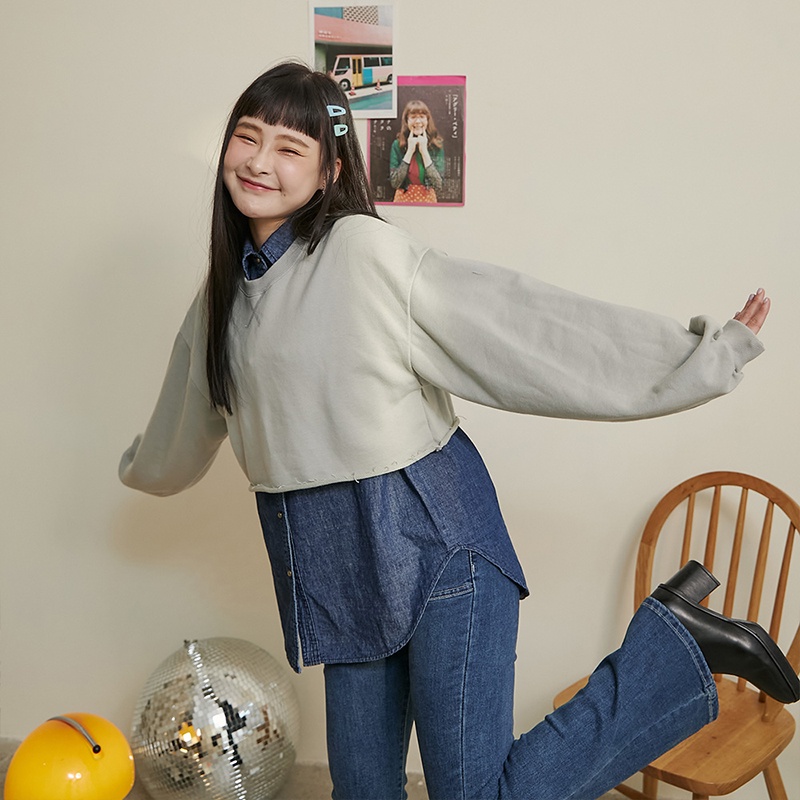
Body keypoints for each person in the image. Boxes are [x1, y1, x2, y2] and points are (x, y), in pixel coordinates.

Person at [119, 62, 798, 800]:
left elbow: (520, 323)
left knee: (472, 793)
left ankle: (674, 645)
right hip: (336, 574)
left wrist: (701, 357)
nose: (259, 160)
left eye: (290, 147)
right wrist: (135, 468)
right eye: (248, 137)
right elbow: (180, 428)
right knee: (363, 792)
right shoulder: (221, 300)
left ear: (328, 172)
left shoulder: (361, 252)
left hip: (436, 543)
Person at [390, 99, 445, 203]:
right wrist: (410, 151)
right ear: (407, 121)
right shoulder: (397, 145)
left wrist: (424, 151)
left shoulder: (436, 146)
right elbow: (395, 183)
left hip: (428, 200)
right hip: (402, 199)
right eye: (413, 117)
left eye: (422, 117)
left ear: (427, 120)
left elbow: (439, 185)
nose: (418, 121)